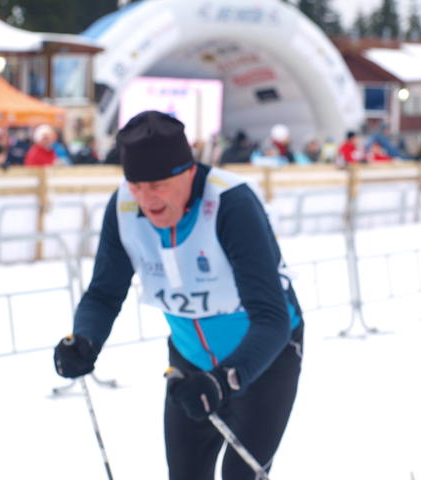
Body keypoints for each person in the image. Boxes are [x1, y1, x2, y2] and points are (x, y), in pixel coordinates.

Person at [53, 111, 304, 480]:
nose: (146, 198)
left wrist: (225, 379)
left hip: (264, 359)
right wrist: (84, 339)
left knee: (242, 475)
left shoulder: (231, 204)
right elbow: (104, 294)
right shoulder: (124, 208)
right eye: (136, 185)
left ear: (188, 172)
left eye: (157, 184)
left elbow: (272, 318)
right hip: (191, 359)